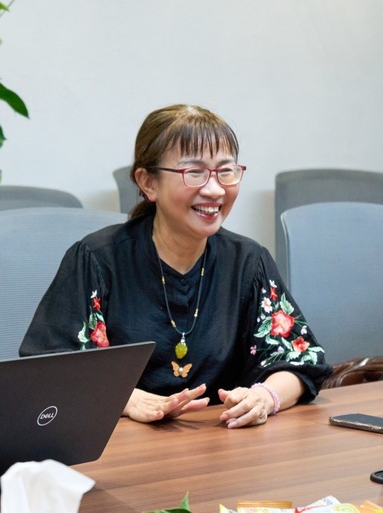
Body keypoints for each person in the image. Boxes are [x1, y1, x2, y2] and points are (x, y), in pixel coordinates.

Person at [19, 104, 332, 428]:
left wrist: (264, 396)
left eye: (225, 171)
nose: (215, 189)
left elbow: (302, 362)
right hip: (118, 444)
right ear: (148, 183)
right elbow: (48, 372)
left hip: (220, 442)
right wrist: (127, 399)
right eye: (194, 172)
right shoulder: (97, 260)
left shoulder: (248, 262)